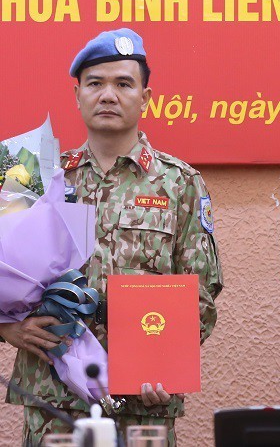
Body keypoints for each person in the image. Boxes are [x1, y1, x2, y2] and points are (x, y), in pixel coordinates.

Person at [0, 28, 223, 445]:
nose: (108, 95)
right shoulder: (38, 178)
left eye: (123, 83)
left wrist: (166, 361)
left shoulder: (180, 184)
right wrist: (6, 327)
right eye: (95, 83)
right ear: (77, 95)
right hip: (54, 394)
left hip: (143, 398)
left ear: (146, 97)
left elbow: (202, 292)